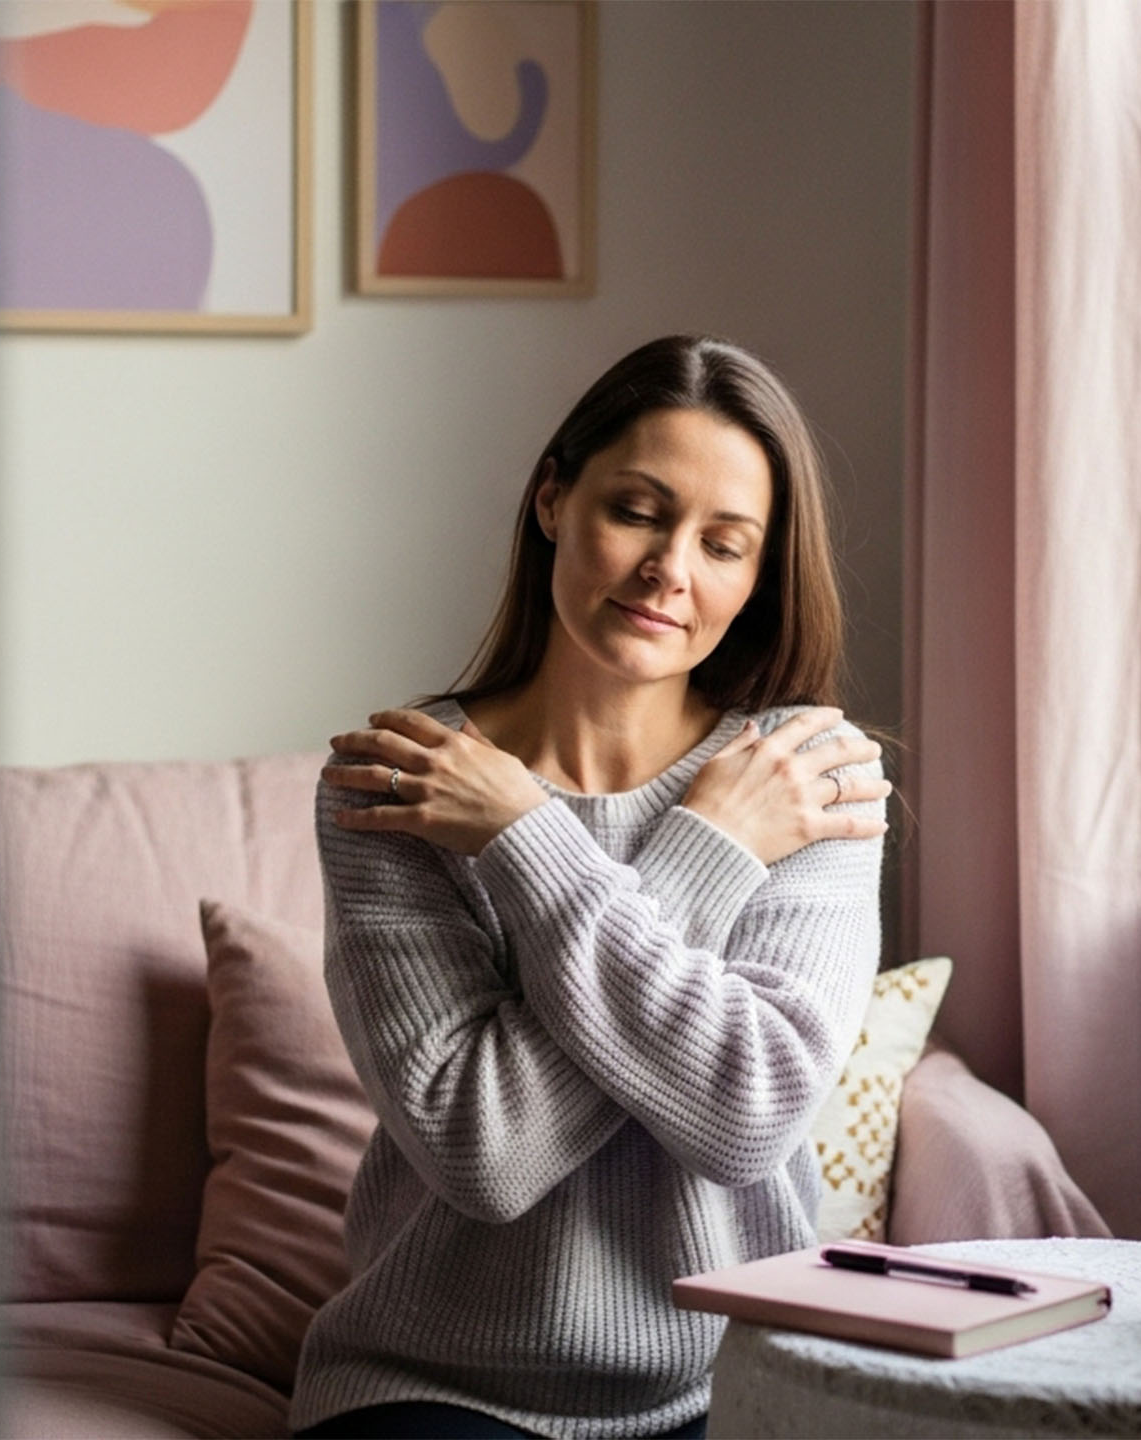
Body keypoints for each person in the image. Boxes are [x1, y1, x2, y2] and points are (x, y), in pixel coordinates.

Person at [291, 336, 891, 1439]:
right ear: (553, 500)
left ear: (758, 577)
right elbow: (485, 1151)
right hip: (437, 1385)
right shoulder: (399, 784)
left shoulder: (807, 780)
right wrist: (653, 847)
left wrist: (530, 841)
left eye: (724, 543)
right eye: (638, 511)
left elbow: (748, 1115)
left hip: (735, 1383)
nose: (672, 568)